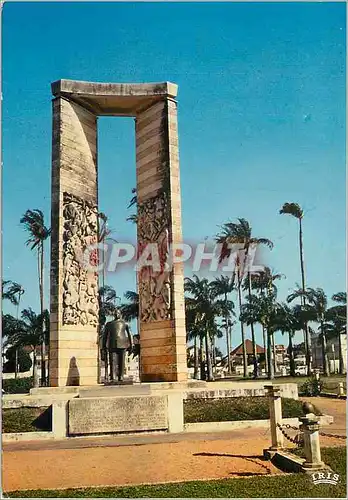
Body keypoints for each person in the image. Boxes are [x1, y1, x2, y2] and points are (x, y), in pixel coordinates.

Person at [101, 310, 133, 382]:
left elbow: (130, 334)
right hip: (112, 344)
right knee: (112, 361)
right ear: (113, 315)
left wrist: (132, 344)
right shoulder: (109, 324)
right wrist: (103, 346)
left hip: (123, 344)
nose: (116, 314)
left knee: (122, 361)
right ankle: (113, 377)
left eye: (118, 313)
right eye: (115, 313)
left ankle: (121, 377)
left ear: (120, 314)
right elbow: (105, 336)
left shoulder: (125, 323)